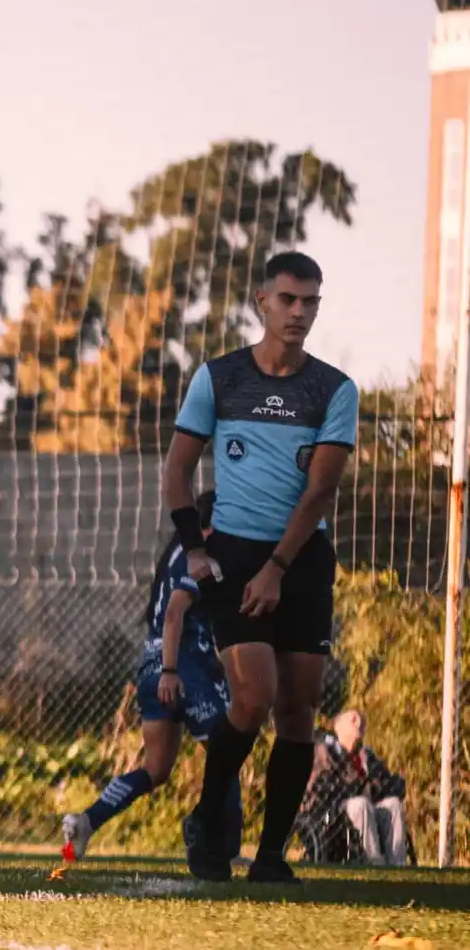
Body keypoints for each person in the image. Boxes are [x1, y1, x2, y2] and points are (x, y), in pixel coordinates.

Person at [163, 250, 359, 884]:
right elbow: (177, 469)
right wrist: (195, 547)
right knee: (254, 694)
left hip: (300, 560)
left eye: (309, 302)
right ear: (261, 303)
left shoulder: (334, 389)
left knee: (298, 707)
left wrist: (279, 566)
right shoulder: (217, 378)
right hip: (237, 555)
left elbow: (321, 491)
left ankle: (272, 855)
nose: (298, 312)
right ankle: (207, 821)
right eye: (287, 300)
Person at [61, 491, 242, 861]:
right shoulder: (202, 557)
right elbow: (176, 613)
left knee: (156, 769)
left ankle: (86, 822)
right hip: (182, 666)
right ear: (212, 527)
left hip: (151, 663)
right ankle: (226, 848)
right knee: (229, 750)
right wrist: (173, 670)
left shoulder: (175, 551)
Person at [305, 710, 409, 866]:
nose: (359, 719)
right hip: (335, 811)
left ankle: (398, 865)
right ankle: (374, 863)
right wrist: (359, 789)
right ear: (338, 728)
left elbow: (395, 784)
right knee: (361, 804)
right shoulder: (323, 751)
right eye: (353, 718)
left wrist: (374, 788)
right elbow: (319, 787)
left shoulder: (366, 755)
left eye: (361, 718)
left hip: (369, 806)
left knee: (393, 804)